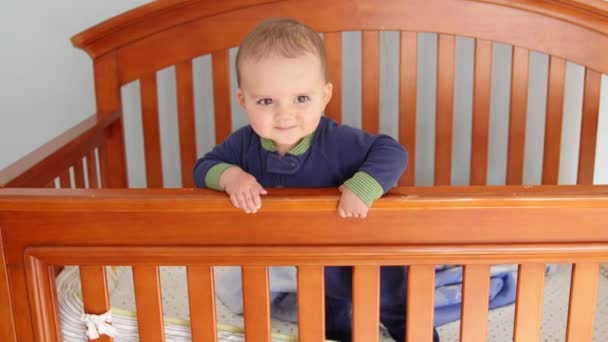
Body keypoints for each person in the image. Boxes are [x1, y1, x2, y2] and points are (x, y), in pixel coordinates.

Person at [193, 18, 437, 342]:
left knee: (397, 308)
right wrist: (230, 175)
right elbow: (202, 168)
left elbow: (392, 152)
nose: (284, 114)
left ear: (324, 96)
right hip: (314, 262)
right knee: (329, 318)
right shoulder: (243, 145)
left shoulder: (337, 141)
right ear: (244, 101)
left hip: (368, 251)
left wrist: (361, 186)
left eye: (301, 99)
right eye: (266, 101)